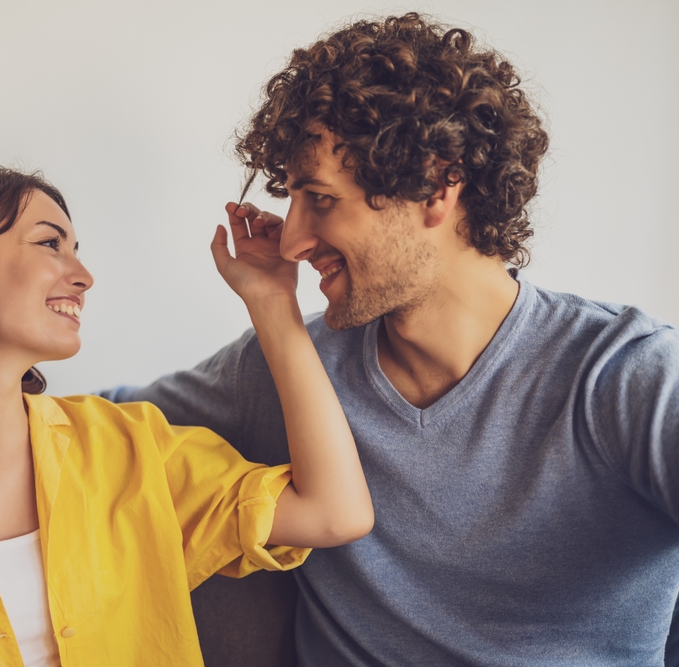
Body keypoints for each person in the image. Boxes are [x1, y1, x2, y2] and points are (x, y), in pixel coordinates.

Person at [103, 12, 679, 666]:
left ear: (437, 187)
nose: (289, 240)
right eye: (291, 198)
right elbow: (90, 429)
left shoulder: (627, 378)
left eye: (319, 198)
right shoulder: (291, 369)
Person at [0, 165, 374, 667]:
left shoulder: (130, 448)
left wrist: (272, 302)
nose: (83, 277)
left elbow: (335, 512)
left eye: (76, 251)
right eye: (50, 244)